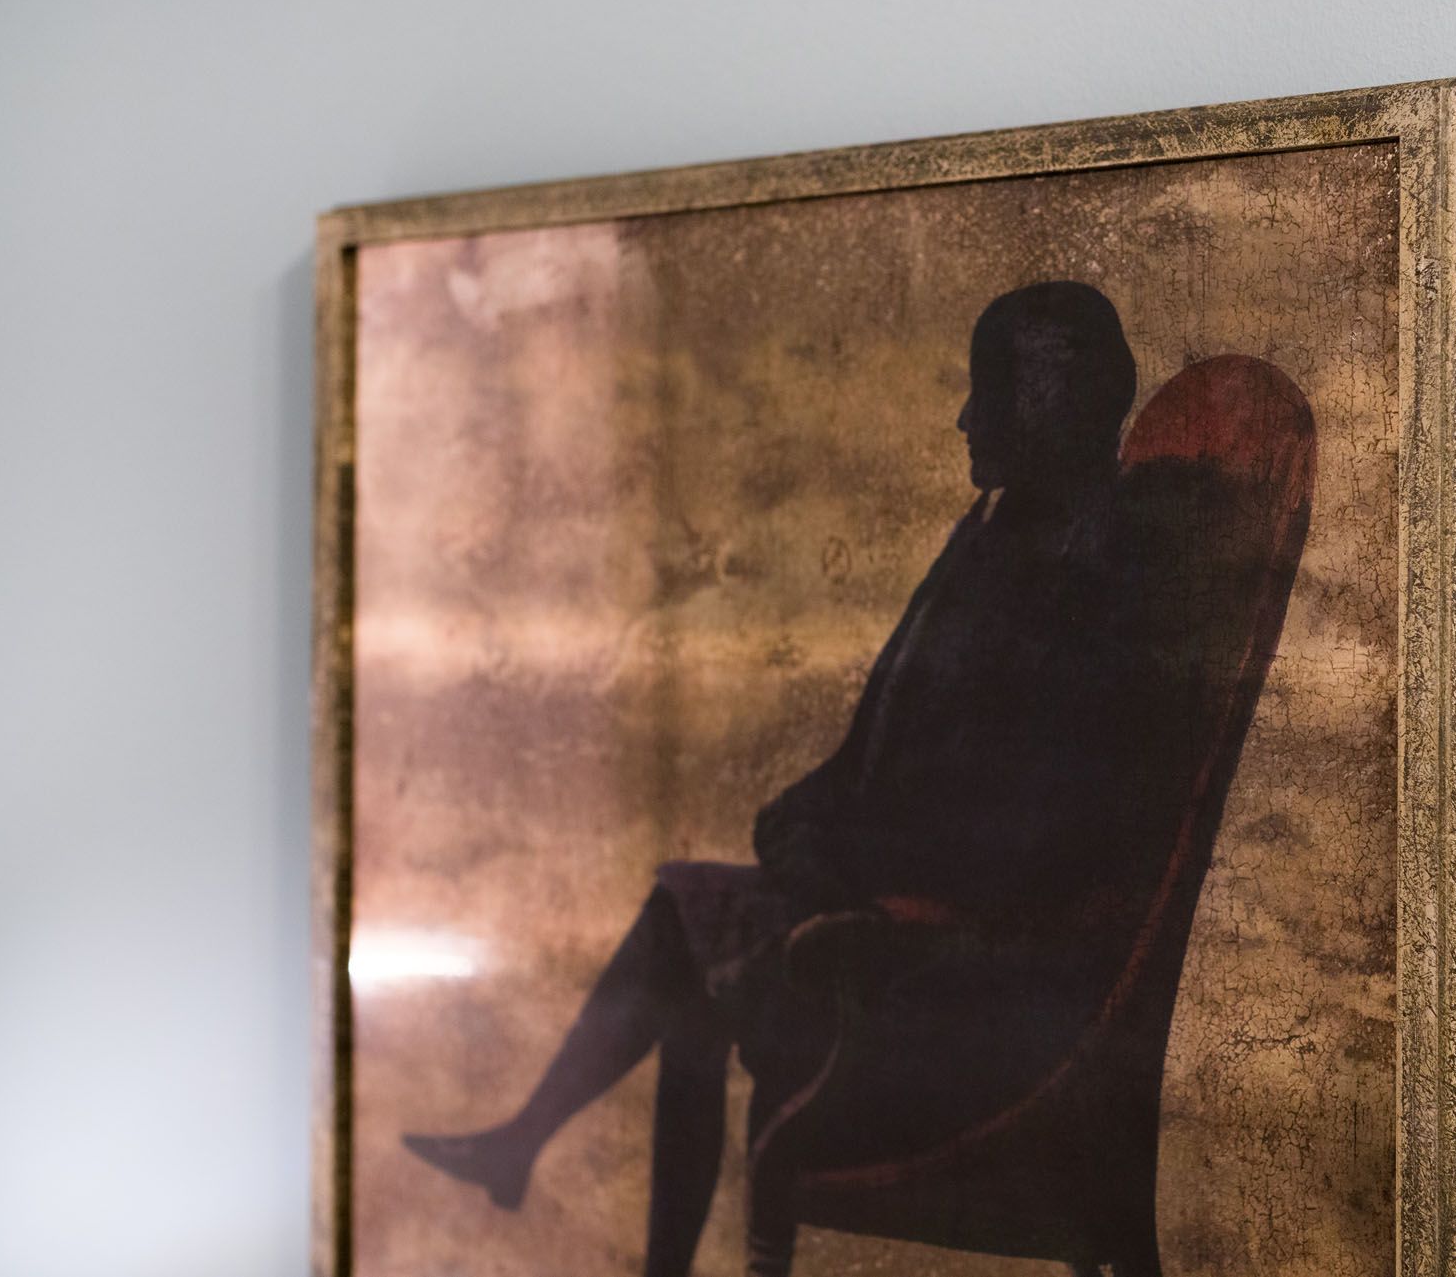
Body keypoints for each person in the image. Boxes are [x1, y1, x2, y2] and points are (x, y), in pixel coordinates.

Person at [403, 281, 1155, 1268]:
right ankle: (529, 1150)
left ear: (1048, 404)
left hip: (958, 982)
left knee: (688, 962)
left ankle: (530, 1153)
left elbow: (1024, 828)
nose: (966, 417)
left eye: (991, 390)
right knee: (684, 921)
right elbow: (885, 748)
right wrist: (803, 815)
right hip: (895, 915)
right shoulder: (999, 538)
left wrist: (832, 858)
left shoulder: (1086, 577)